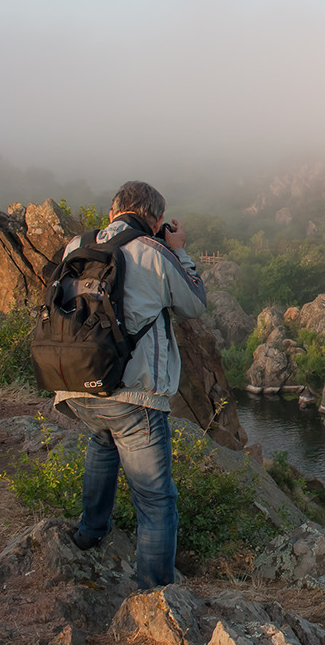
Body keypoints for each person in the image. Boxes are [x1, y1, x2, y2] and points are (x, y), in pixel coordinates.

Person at [54, 180, 207, 589]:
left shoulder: (75, 246)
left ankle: (91, 532)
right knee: (157, 499)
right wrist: (178, 249)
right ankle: (155, 593)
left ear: (112, 212)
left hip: (76, 384)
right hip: (133, 395)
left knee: (102, 444)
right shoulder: (154, 252)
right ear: (155, 220)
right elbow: (194, 303)